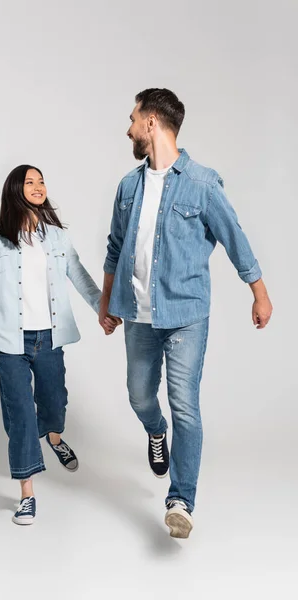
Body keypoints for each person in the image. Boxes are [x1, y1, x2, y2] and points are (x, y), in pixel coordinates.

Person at [100, 88, 273, 539]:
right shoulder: (128, 186)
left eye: (134, 118)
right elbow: (116, 247)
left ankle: (181, 500)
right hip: (136, 313)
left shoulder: (201, 182)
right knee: (140, 396)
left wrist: (259, 292)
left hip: (185, 314)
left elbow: (234, 237)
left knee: (186, 406)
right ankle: (155, 432)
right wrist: (107, 301)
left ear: (152, 122)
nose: (129, 128)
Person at [0, 164, 117, 525]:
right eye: (29, 182)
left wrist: (101, 309)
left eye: (41, 181)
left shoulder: (57, 238)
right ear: (15, 190)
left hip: (50, 336)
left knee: (54, 401)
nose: (37, 186)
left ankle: (54, 436)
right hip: (9, 341)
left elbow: (79, 275)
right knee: (20, 415)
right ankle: (27, 493)